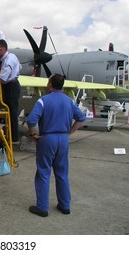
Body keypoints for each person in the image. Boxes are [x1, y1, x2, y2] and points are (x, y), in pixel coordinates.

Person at [26, 73, 86, 217]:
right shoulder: (69, 101)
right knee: (62, 173)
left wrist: (34, 135)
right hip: (63, 139)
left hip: (48, 139)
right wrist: (69, 132)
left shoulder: (43, 100)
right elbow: (81, 118)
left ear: (51, 84)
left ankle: (42, 207)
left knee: (43, 172)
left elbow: (31, 120)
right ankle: (65, 205)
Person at [0, 39, 21, 144]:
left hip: (11, 86)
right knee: (8, 111)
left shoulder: (8, 61)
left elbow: (2, 79)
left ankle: (13, 137)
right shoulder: (9, 57)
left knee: (11, 112)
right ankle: (9, 134)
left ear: (4, 49)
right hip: (9, 85)